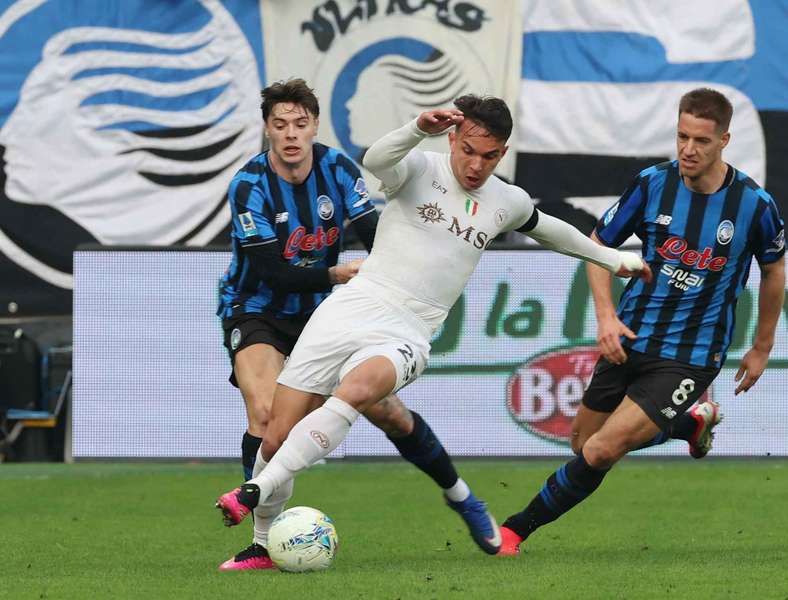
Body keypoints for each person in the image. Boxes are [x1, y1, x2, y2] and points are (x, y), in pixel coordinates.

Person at [214, 94, 651, 555]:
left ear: (502, 153)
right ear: (453, 138)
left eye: (489, 156)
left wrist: (613, 258)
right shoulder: (419, 167)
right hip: (349, 307)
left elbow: (553, 231)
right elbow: (376, 158)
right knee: (276, 433)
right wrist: (416, 127)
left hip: (408, 329)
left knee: (361, 391)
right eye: (468, 150)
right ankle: (261, 546)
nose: (476, 165)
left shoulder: (508, 200)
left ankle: (254, 491)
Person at [216, 79, 504, 570]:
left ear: (314, 127)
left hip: (328, 314)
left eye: (300, 124)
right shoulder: (248, 184)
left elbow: (376, 233)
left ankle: (462, 497)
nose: (291, 134)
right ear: (267, 129)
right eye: (280, 125)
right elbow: (271, 271)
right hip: (256, 308)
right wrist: (334, 272)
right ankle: (262, 543)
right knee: (266, 416)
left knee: (389, 412)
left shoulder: (336, 168)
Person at [496, 88, 787, 556]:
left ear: (724, 141)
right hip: (630, 338)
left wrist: (762, 347)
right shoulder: (652, 184)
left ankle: (512, 531)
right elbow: (596, 247)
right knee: (582, 443)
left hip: (691, 356)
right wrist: (607, 315)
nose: (689, 149)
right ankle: (688, 426)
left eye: (701, 141)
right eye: (681, 137)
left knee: (601, 451)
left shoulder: (754, 205)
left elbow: (774, 271)